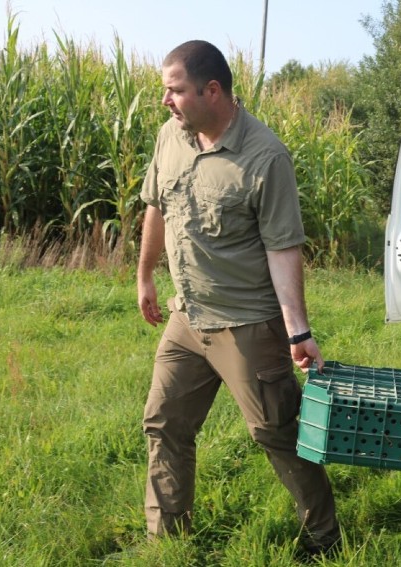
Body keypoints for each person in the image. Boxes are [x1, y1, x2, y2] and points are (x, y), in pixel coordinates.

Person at [136, 39, 340, 557]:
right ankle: (168, 539)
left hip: (248, 325)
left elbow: (283, 249)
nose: (166, 101)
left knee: (277, 433)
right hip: (188, 318)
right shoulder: (171, 136)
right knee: (164, 423)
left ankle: (326, 539)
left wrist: (298, 331)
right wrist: (145, 277)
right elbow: (156, 206)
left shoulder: (265, 157)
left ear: (212, 90)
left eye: (175, 90)